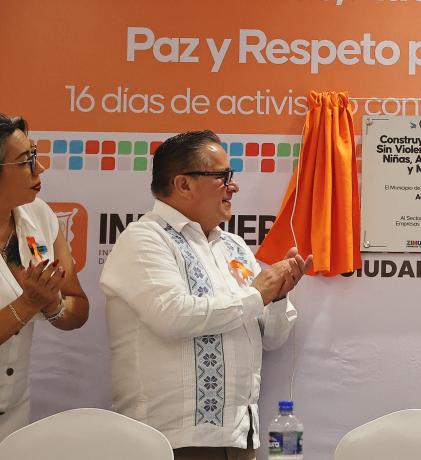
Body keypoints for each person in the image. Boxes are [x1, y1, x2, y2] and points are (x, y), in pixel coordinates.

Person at [100, 130, 312, 460]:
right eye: (222, 176)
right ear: (183, 184)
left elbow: (272, 338)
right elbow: (173, 315)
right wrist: (258, 294)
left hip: (240, 436)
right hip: (172, 440)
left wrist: (279, 296)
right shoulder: (144, 239)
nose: (234, 186)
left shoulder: (234, 246)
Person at [0, 113, 89, 439]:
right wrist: (28, 304)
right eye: (26, 162)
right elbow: (28, 304)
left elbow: (77, 306)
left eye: (35, 156)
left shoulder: (39, 215)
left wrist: (52, 305)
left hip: (14, 414)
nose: (40, 169)